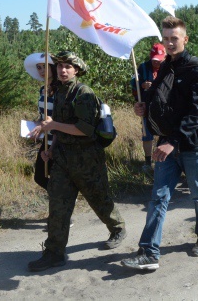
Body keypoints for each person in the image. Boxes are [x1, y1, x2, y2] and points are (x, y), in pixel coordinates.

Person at [122, 16, 198, 271]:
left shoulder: (196, 70)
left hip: (192, 144)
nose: (170, 43)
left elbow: (197, 113)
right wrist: (144, 105)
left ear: (185, 39)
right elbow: (157, 96)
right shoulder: (165, 66)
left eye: (175, 38)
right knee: (158, 197)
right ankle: (149, 252)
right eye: (166, 38)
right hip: (166, 144)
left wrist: (173, 141)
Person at [28, 51, 126, 272]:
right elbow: (59, 126)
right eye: (60, 66)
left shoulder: (84, 93)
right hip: (63, 158)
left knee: (98, 199)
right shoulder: (59, 92)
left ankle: (117, 228)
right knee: (58, 205)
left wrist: (53, 126)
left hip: (87, 159)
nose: (63, 70)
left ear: (77, 70)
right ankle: (54, 252)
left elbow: (84, 129)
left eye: (68, 67)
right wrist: (51, 150)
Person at [24, 52, 58, 190]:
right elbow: (43, 115)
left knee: (53, 174)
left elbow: (61, 117)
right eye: (39, 68)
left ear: (53, 67)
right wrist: (37, 125)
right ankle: (62, 196)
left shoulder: (60, 89)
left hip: (58, 138)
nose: (42, 71)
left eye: (45, 66)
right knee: (40, 176)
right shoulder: (43, 89)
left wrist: (44, 127)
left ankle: (63, 198)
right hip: (47, 138)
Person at [130, 43, 166, 173]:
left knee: (165, 133)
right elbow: (133, 83)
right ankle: (147, 161)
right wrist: (141, 85)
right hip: (147, 106)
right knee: (147, 133)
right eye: (154, 60)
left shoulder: (168, 67)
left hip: (164, 107)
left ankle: (164, 160)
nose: (156, 63)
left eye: (159, 60)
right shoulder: (143, 68)